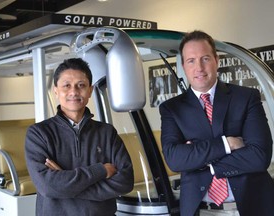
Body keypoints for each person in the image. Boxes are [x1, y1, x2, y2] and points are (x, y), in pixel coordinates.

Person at [159, 30, 274, 216]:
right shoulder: (172, 109)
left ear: (216, 60)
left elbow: (260, 156)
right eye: (191, 61)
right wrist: (228, 144)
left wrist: (201, 161)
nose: (199, 68)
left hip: (252, 206)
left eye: (205, 58)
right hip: (201, 210)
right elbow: (175, 159)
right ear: (183, 66)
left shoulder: (246, 97)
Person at [25, 58, 134, 216]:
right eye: (66, 85)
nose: (74, 92)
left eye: (81, 85)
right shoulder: (38, 133)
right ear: (56, 91)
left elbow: (125, 182)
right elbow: (48, 187)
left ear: (90, 90)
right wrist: (101, 170)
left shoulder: (107, 132)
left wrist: (66, 184)